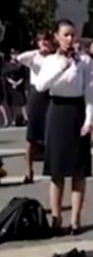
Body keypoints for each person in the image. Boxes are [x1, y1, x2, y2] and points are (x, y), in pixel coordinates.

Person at [35, 19, 93, 235]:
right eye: (66, 35)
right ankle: (56, 216)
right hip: (57, 110)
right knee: (57, 170)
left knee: (79, 171)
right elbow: (41, 85)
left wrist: (89, 120)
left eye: (73, 35)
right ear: (57, 37)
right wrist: (61, 68)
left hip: (77, 110)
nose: (71, 39)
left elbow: (90, 93)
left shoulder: (85, 62)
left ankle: (76, 219)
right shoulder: (51, 60)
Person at [16, 33, 54, 183]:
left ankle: (53, 169)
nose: (44, 43)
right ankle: (28, 170)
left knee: (52, 134)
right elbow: (20, 58)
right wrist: (38, 52)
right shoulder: (34, 57)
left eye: (47, 40)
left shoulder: (55, 58)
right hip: (37, 94)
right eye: (41, 41)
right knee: (31, 136)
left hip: (51, 94)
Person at [4, 50, 28, 126]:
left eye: (16, 53)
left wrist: (19, 82)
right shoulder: (7, 64)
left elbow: (24, 75)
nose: (14, 55)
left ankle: (26, 118)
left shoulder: (21, 64)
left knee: (22, 102)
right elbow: (5, 75)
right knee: (12, 103)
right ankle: (13, 119)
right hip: (10, 85)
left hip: (20, 84)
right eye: (12, 54)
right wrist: (12, 82)